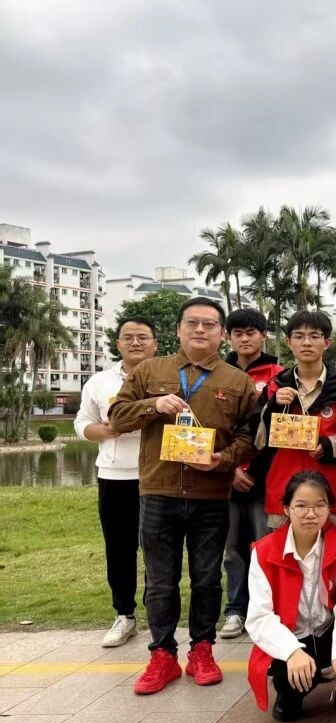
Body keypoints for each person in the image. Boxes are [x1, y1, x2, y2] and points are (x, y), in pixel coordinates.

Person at [110, 297, 260, 694]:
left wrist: (224, 459)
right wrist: (154, 404)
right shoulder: (149, 371)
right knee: (160, 580)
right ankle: (162, 654)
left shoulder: (237, 381)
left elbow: (251, 436)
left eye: (209, 324)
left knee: (207, 577)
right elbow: (117, 416)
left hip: (211, 494)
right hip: (158, 491)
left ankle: (202, 650)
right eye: (192, 322)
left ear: (221, 333)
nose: (200, 330)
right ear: (178, 330)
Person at [246, 470, 336, 721]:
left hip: (329, 630)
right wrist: (292, 651)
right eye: (301, 506)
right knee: (288, 707)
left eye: (320, 505)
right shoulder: (264, 551)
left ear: (329, 509)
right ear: (286, 509)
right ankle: (290, 690)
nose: (311, 514)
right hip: (293, 635)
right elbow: (259, 617)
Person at [75, 316, 159, 647]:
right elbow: (82, 423)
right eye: (129, 337)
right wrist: (106, 429)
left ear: (155, 343)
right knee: (119, 548)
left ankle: (159, 615)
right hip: (114, 476)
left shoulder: (167, 377)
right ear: (118, 343)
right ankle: (125, 615)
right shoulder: (99, 381)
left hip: (157, 476)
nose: (136, 343)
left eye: (143, 337)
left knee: (158, 548)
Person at [257, 311, 336, 533]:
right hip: (285, 492)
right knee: (286, 553)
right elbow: (257, 440)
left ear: (327, 343)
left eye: (314, 336)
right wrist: (273, 406)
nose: (306, 342)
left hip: (333, 492)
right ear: (289, 343)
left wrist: (329, 445)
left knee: (335, 553)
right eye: (299, 336)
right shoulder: (275, 386)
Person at [221, 308, 284, 640]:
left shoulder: (279, 376)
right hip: (225, 475)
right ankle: (235, 610)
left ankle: (266, 610)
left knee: (264, 545)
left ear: (264, 335)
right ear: (228, 337)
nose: (244, 339)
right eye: (237, 333)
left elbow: (280, 431)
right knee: (232, 548)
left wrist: (255, 470)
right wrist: (231, 467)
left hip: (265, 477)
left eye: (251, 332)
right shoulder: (217, 373)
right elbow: (211, 426)